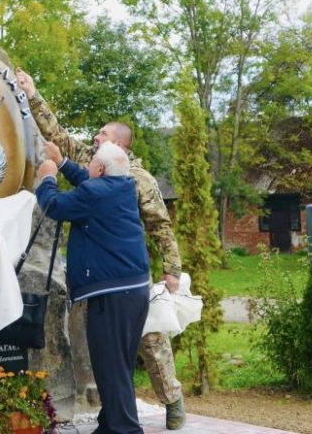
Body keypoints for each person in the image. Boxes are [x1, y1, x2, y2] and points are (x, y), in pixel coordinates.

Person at [16, 67, 186, 430]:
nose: (95, 137)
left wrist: (173, 268)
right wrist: (32, 93)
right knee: (111, 357)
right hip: (111, 275)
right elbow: (58, 136)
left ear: (118, 147)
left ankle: (170, 399)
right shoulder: (106, 170)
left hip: (124, 275)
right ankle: (114, 416)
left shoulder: (139, 180)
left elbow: (159, 225)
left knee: (149, 341)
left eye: (103, 134)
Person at [37, 141, 150, 434]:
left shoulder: (95, 193)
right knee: (118, 365)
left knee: (110, 367)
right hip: (133, 290)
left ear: (100, 168)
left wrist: (48, 176)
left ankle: (125, 429)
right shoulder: (123, 187)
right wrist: (63, 163)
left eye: (90, 163)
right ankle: (110, 425)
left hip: (111, 294)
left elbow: (54, 205)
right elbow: (88, 183)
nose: (87, 167)